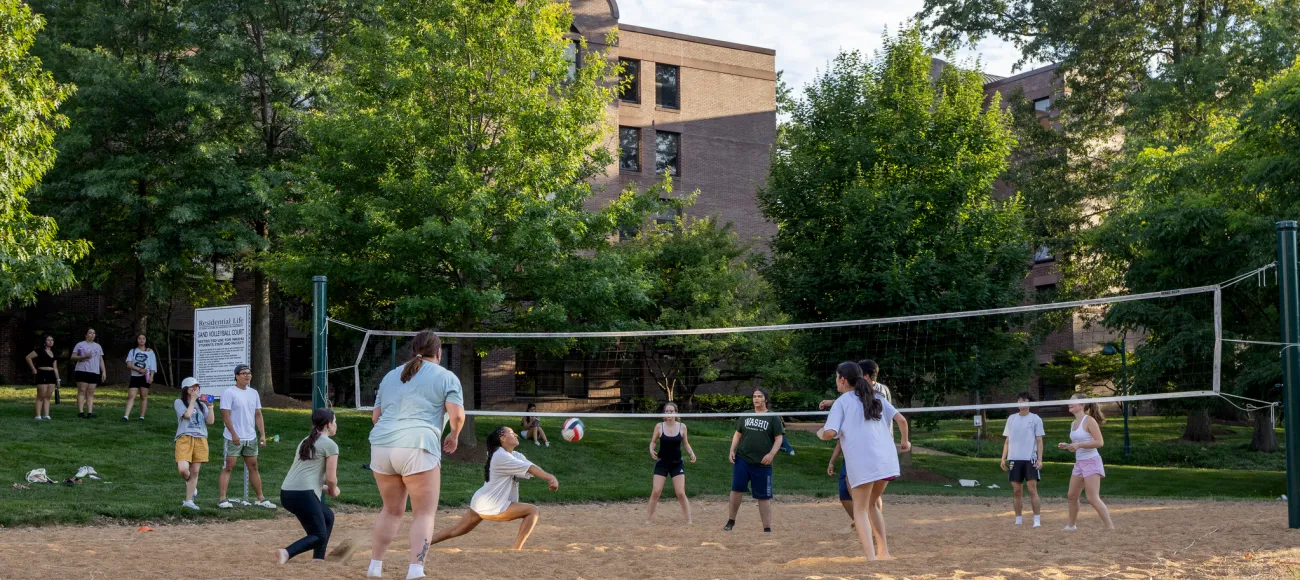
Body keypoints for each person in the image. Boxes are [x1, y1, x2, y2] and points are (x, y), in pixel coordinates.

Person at [366, 330, 465, 580]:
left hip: (381, 445)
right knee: (423, 513)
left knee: (390, 510)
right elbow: (457, 415)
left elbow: (375, 418)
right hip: (417, 444)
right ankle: (415, 569)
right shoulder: (446, 376)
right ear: (439, 352)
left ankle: (374, 566)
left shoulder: (390, 376)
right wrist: (453, 435)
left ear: (413, 350)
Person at [818, 361, 911, 562]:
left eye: (836, 377)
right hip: (886, 461)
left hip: (863, 462)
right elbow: (902, 420)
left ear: (842, 380)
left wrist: (820, 433)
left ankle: (871, 558)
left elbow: (830, 432)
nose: (836, 381)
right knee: (871, 505)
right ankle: (884, 552)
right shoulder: (875, 397)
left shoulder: (842, 401)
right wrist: (905, 442)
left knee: (859, 509)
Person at [425, 426, 559, 551]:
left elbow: (533, 467)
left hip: (481, 501)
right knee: (532, 511)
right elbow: (530, 469)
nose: (516, 434)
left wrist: (548, 477)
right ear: (503, 438)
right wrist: (550, 477)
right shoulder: (500, 455)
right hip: (493, 505)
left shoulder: (515, 456)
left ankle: (423, 543)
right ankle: (515, 551)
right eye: (511, 433)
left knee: (457, 530)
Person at [276, 408, 341, 565]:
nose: (336, 425)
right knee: (319, 535)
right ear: (328, 424)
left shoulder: (306, 440)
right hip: (303, 494)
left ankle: (318, 558)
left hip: (287, 493)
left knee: (328, 517)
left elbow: (306, 473)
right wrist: (333, 490)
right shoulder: (330, 445)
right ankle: (286, 552)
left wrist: (323, 488)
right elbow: (332, 479)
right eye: (335, 421)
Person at [725, 387, 784, 533]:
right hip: (743, 459)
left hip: (762, 463)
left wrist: (771, 454)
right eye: (754, 396)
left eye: (759, 396)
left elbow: (779, 439)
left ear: (765, 399)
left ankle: (767, 528)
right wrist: (732, 450)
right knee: (736, 489)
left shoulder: (773, 417)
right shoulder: (746, 415)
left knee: (763, 496)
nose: (756, 399)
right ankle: (731, 520)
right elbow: (737, 434)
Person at [217, 364, 277, 510]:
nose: (247, 376)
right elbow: (225, 415)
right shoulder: (229, 392)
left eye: (249, 373)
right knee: (229, 466)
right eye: (243, 373)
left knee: (253, 467)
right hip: (233, 437)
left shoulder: (253, 393)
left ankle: (260, 498)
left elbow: (258, 414)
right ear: (236, 376)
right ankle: (222, 499)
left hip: (250, 437)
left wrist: (262, 434)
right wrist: (234, 434)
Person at [1060, 393, 1115, 531]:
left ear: (1082, 405)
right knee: (1072, 495)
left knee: (1092, 498)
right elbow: (1078, 443)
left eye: (1073, 401)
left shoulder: (1089, 420)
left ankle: (1110, 527)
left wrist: (1079, 446)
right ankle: (1071, 525)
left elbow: (1099, 442)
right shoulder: (1073, 423)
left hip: (1091, 461)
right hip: (1079, 463)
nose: (1069, 403)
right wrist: (1068, 446)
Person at [647, 402, 697, 524]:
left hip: (677, 463)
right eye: (667, 411)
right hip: (662, 462)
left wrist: (691, 453)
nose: (669, 413)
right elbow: (653, 441)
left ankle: (689, 520)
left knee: (680, 492)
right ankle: (648, 520)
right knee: (656, 491)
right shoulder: (659, 426)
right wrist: (651, 449)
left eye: (671, 411)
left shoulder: (682, 427)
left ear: (676, 412)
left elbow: (685, 443)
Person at [1001, 391, 1045, 527]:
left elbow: (1039, 441)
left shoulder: (1035, 418)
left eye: (1024, 400)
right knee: (1016, 490)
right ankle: (1018, 519)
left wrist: (1039, 459)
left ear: (1029, 403)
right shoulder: (1011, 419)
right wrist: (1003, 458)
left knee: (1032, 489)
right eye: (1019, 400)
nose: (1021, 402)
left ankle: (1036, 519)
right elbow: (1007, 440)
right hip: (1014, 458)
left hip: (1029, 459)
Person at [175, 377, 214, 510]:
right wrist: (192, 401)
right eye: (193, 387)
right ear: (186, 389)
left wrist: (210, 407)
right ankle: (191, 485)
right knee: (183, 469)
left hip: (201, 438)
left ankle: (188, 501)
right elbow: (186, 415)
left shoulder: (202, 405)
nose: (196, 389)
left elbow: (210, 421)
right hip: (184, 437)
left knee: (195, 471)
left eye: (197, 387)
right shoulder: (179, 402)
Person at [70, 328, 106, 419]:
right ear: (86, 335)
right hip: (82, 370)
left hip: (94, 371)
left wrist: (103, 371)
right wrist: (84, 356)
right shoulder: (80, 344)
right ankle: (81, 412)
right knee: (82, 391)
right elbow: (73, 357)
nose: (92, 334)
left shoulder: (98, 346)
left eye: (94, 333)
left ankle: (90, 413)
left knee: (90, 392)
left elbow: (100, 360)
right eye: (90, 333)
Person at [123, 334, 157, 421]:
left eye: (143, 338)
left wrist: (151, 377)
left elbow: (153, 365)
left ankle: (142, 417)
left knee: (143, 396)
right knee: (131, 396)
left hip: (146, 376)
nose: (141, 340)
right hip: (135, 376)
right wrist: (139, 369)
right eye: (139, 338)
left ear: (146, 340)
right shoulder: (133, 351)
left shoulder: (150, 352)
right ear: (137, 340)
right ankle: (126, 416)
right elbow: (129, 364)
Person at [25, 335, 59, 420]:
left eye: (52, 340)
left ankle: (46, 415)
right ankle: (38, 415)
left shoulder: (54, 352)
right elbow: (28, 357)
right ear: (44, 341)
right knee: (41, 396)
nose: (50, 341)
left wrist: (57, 379)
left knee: (48, 396)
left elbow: (55, 367)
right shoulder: (39, 350)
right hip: (42, 373)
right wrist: (33, 369)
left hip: (51, 374)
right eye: (48, 340)